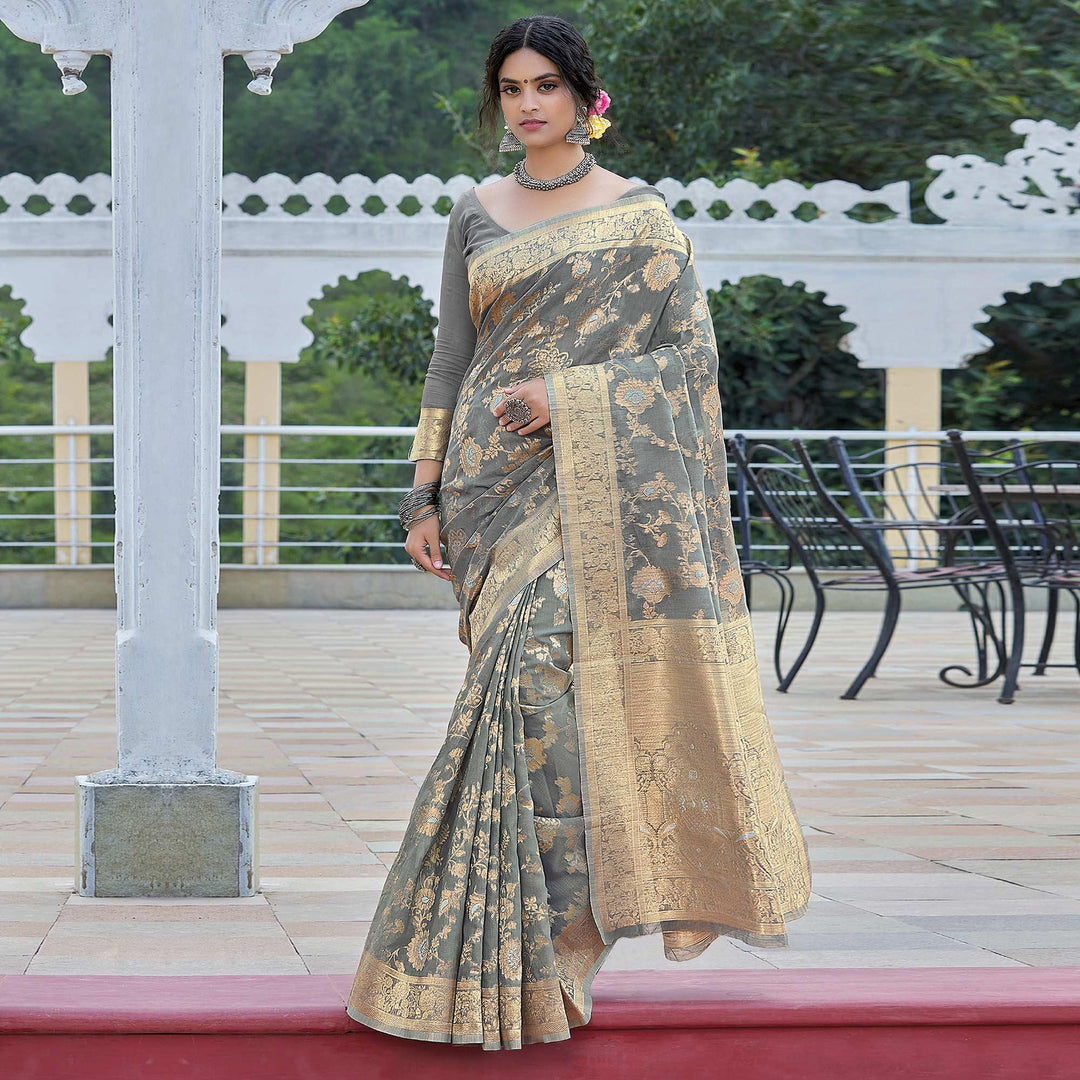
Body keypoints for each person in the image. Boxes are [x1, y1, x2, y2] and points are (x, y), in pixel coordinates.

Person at [346, 13, 812, 1051]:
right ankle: (505, 951)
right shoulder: (475, 212)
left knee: (542, 695)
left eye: (546, 86)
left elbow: (690, 364)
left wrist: (570, 394)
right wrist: (422, 497)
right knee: (514, 708)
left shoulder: (641, 220)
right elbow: (450, 361)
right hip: (489, 493)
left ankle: (564, 936)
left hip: (598, 489)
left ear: (585, 99)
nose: (527, 104)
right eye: (511, 87)